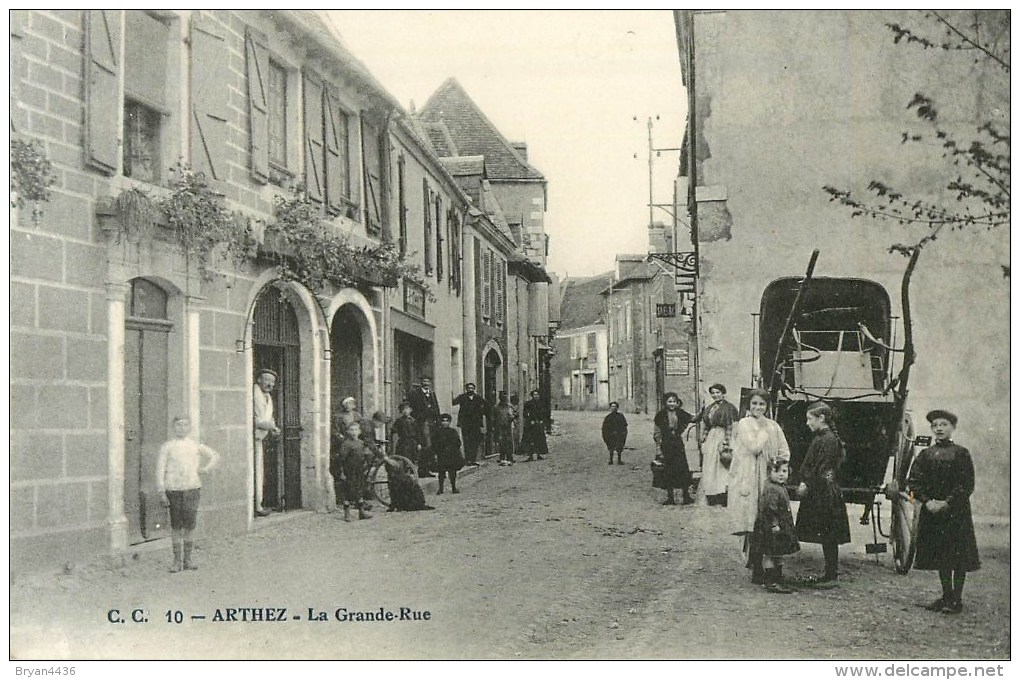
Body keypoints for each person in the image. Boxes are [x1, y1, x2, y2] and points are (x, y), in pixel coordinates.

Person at [907, 409, 980, 614]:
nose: (939, 428)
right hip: (933, 512)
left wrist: (947, 503)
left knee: (958, 555)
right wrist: (926, 501)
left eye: (944, 425)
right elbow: (913, 482)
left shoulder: (961, 453)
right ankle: (946, 595)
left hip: (956, 513)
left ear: (953, 428)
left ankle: (956, 599)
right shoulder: (925, 455)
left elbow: (966, 484)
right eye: (935, 425)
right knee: (941, 554)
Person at [729, 387, 791, 584]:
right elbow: (754, 447)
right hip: (748, 476)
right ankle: (756, 569)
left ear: (767, 406)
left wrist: (778, 464)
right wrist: (764, 431)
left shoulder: (774, 425)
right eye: (754, 403)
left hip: (766, 476)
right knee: (753, 522)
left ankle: (770, 568)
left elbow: (784, 450)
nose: (758, 407)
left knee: (768, 520)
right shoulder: (744, 424)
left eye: (762, 404)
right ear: (749, 405)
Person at [795, 401, 851, 584]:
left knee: (829, 534)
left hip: (825, 492)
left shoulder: (828, 440)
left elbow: (824, 469)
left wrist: (806, 484)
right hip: (820, 489)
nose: (807, 423)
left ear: (822, 418)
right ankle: (830, 572)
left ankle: (831, 574)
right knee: (827, 533)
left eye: (810, 419)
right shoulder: (822, 437)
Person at [156, 416, 220, 572]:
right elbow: (159, 470)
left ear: (190, 428)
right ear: (173, 428)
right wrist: (162, 491)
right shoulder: (168, 447)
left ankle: (188, 560)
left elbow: (214, 456)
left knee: (190, 525)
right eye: (178, 425)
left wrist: (205, 469)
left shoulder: (194, 445)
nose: (181, 428)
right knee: (176, 526)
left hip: (192, 488)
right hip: (174, 489)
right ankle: (176, 561)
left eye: (185, 425)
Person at [752, 458, 800, 593]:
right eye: (776, 471)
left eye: (784, 471)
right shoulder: (771, 489)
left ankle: (778, 578)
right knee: (770, 554)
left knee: (778, 553)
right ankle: (771, 581)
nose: (781, 474)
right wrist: (774, 524)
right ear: (769, 472)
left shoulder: (780, 487)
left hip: (779, 528)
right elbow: (768, 509)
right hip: (771, 528)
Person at [694, 383, 740, 506]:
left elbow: (730, 426)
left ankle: (724, 494)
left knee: (722, 466)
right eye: (713, 393)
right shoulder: (710, 408)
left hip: (723, 436)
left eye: (718, 392)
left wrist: (727, 442)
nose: (715, 395)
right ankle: (712, 493)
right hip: (711, 438)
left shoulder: (729, 408)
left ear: (723, 393)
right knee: (710, 466)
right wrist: (703, 438)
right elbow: (706, 425)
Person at [653, 392, 695, 505]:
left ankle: (686, 496)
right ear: (665, 403)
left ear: (677, 403)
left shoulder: (681, 413)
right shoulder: (660, 415)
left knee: (682, 469)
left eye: (674, 402)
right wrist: (658, 448)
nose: (672, 404)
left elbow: (693, 419)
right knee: (668, 471)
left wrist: (702, 411)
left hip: (678, 444)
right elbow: (657, 433)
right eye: (669, 401)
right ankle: (670, 497)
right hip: (666, 445)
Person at [330, 420, 373, 522]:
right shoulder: (346, 444)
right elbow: (341, 459)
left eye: (356, 430)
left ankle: (361, 512)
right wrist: (341, 472)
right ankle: (347, 513)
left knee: (359, 490)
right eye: (351, 430)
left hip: (359, 470)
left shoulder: (360, 443)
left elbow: (364, 455)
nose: (354, 432)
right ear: (348, 432)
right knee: (347, 491)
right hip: (348, 471)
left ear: (359, 432)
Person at [252, 369, 281, 517]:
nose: (270, 384)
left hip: (260, 438)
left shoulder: (268, 397)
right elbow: (252, 419)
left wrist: (273, 427)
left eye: (272, 382)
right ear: (258, 380)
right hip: (250, 438)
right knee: (253, 472)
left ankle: (258, 504)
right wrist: (270, 426)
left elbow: (268, 417)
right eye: (267, 380)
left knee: (259, 472)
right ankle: (254, 506)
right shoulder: (253, 394)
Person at [407, 376, 441, 477]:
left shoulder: (432, 393)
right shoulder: (415, 393)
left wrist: (437, 420)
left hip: (431, 422)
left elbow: (436, 407)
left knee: (431, 446)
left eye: (428, 381)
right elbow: (411, 408)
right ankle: (422, 470)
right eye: (424, 381)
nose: (426, 383)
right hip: (421, 422)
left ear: (430, 383)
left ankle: (429, 467)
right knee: (425, 445)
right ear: (420, 382)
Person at [452, 382, 488, 466]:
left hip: (475, 423)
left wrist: (481, 413)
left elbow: (486, 405)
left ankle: (473, 459)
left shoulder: (478, 398)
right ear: (466, 389)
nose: (470, 390)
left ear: (474, 389)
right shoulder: (462, 397)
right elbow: (454, 402)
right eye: (469, 388)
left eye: (472, 388)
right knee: (466, 441)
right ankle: (468, 459)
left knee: (474, 442)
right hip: (465, 423)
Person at [432, 413, 465, 494]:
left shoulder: (453, 432)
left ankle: (454, 487)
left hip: (451, 455)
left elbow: (458, 443)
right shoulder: (437, 432)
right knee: (441, 472)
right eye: (443, 421)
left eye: (447, 421)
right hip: (441, 454)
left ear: (449, 422)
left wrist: (453, 450)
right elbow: (434, 443)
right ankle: (440, 488)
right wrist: (436, 452)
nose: (445, 423)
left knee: (452, 472)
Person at [391, 401, 422, 468]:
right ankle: (403, 472)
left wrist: (419, 443)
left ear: (411, 410)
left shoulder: (413, 421)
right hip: (403, 442)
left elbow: (418, 432)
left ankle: (412, 472)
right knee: (403, 458)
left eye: (407, 409)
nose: (405, 411)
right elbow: (394, 430)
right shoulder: (399, 421)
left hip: (412, 442)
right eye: (403, 409)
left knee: (413, 458)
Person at [521, 390, 548, 462]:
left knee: (539, 439)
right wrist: (530, 420)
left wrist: (542, 420)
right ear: (532, 396)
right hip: (531, 425)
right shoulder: (528, 404)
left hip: (539, 424)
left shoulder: (542, 404)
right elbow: (526, 413)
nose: (536, 396)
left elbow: (544, 413)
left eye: (537, 394)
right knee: (530, 439)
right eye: (534, 394)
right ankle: (530, 455)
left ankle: (539, 454)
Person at [493, 391, 516, 466]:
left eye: (505, 397)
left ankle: (510, 457)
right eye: (503, 397)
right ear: (500, 398)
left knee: (509, 442)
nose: (504, 399)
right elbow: (493, 418)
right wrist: (494, 426)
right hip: (499, 427)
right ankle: (502, 458)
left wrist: (512, 417)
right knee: (501, 442)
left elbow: (515, 414)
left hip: (508, 426)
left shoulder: (509, 406)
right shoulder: (496, 407)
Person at [601, 401, 628, 466]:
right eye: (612, 406)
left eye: (615, 407)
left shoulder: (620, 416)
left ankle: (619, 459)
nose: (614, 408)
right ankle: (611, 459)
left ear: (617, 408)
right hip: (611, 435)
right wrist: (608, 433)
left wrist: (622, 432)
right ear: (610, 408)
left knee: (619, 447)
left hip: (619, 434)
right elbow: (605, 427)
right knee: (611, 447)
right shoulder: (608, 417)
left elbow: (624, 424)